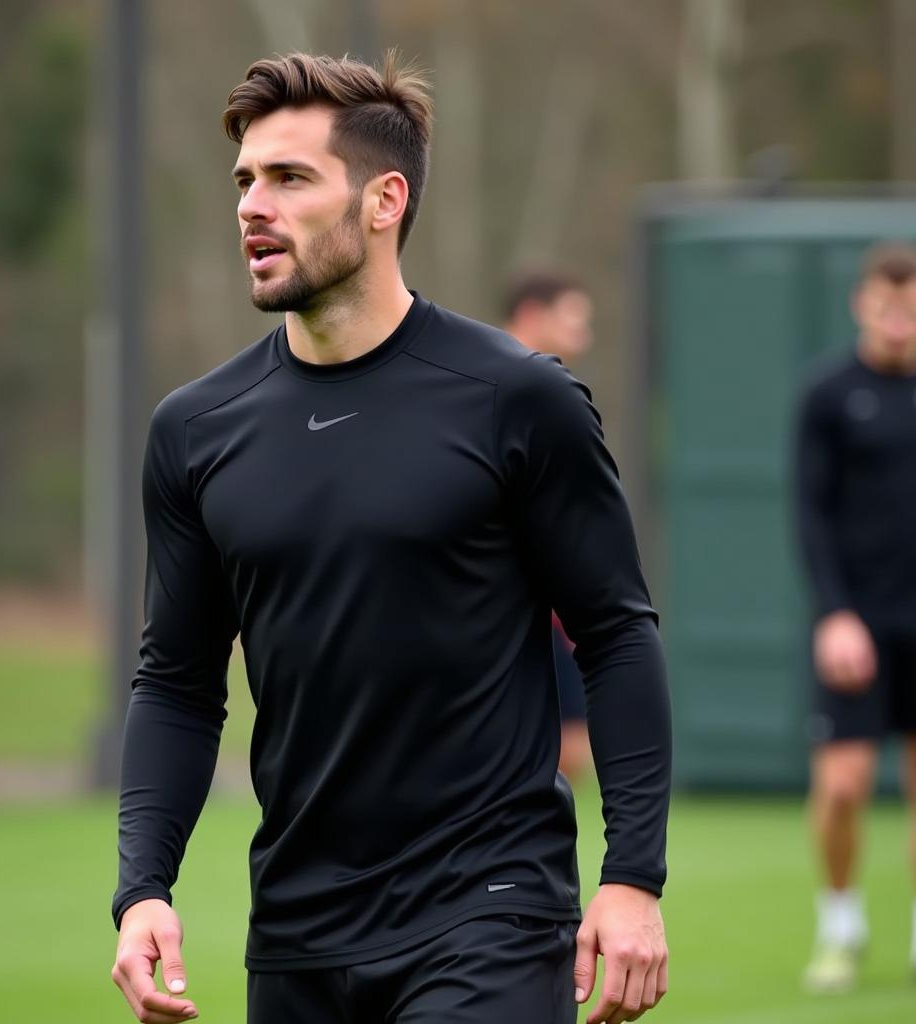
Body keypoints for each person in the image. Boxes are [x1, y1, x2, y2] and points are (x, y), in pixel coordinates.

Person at [110, 52, 671, 1024]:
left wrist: (632, 875)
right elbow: (176, 681)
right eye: (244, 179)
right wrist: (142, 886)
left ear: (384, 201)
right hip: (294, 930)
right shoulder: (194, 430)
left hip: (487, 913)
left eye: (289, 178)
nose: (252, 204)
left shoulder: (517, 400)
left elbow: (617, 633)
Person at [795, 242, 916, 993]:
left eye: (909, 304)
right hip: (859, 626)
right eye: (885, 302)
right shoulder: (830, 394)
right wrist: (835, 614)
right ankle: (840, 923)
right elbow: (811, 513)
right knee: (843, 784)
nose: (898, 317)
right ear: (862, 305)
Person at [503, 270, 596, 783]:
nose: (584, 334)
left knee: (570, 755)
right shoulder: (486, 388)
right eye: (574, 319)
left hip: (554, 620)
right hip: (496, 613)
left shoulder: (558, 394)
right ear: (533, 315)